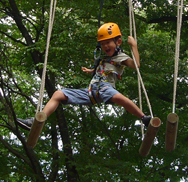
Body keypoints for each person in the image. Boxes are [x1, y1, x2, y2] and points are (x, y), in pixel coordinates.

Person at [17, 22, 151, 129]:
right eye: (103, 44)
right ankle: (36, 120)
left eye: (108, 42)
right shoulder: (103, 58)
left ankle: (144, 118)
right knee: (58, 94)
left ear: (118, 42)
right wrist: (91, 71)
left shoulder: (120, 57)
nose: (105, 46)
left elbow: (136, 65)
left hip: (105, 89)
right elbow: (102, 70)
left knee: (120, 98)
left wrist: (134, 46)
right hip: (91, 91)